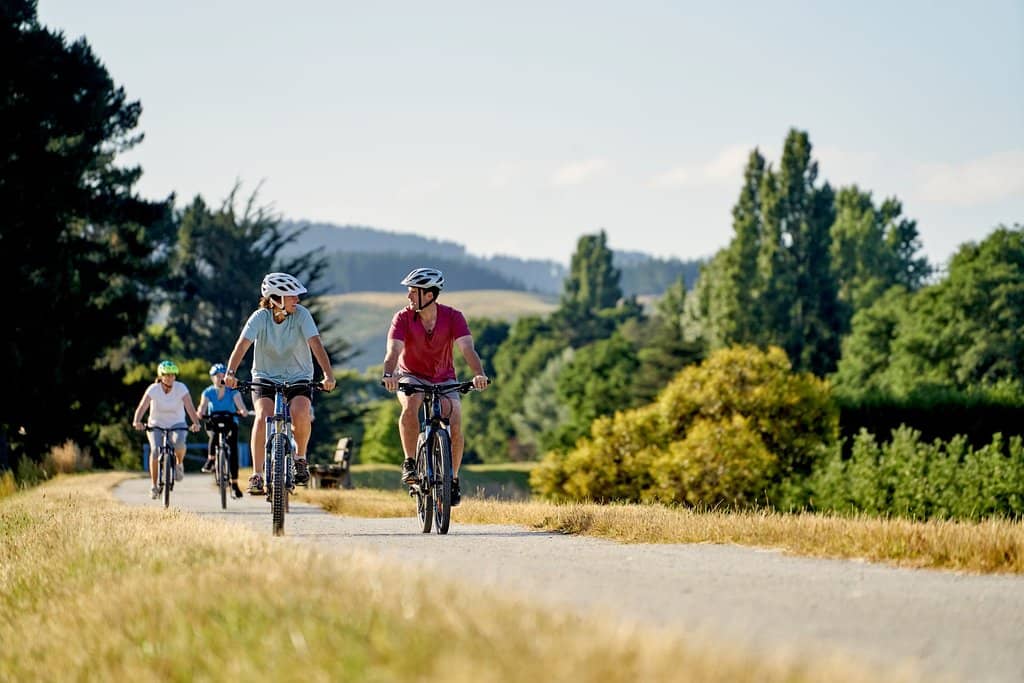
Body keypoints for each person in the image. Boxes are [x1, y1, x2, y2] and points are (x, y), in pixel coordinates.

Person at [381, 267, 489, 507]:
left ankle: (452, 479)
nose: (408, 297)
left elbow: (467, 349)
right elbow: (393, 351)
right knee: (411, 406)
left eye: (413, 292)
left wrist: (478, 374)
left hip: (444, 378)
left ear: (428, 295)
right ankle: (410, 462)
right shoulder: (402, 318)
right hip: (410, 375)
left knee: (455, 417)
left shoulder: (453, 317)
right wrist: (389, 373)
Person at [223, 272, 336, 494]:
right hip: (265, 376)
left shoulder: (302, 315)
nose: (298, 300)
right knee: (263, 415)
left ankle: (300, 458)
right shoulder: (259, 318)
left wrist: (328, 375)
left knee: (301, 411)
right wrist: (230, 372)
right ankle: (257, 475)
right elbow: (242, 346)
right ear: (276, 299)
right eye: (292, 296)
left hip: (298, 376)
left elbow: (316, 345)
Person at [132, 360, 202, 499]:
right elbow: (142, 407)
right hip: (156, 424)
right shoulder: (153, 389)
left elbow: (190, 407)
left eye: (172, 375)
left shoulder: (181, 388)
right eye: (167, 375)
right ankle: (153, 485)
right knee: (155, 451)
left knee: (179, 444)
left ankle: (179, 464)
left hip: (177, 423)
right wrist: (137, 421)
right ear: (161, 376)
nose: (170, 378)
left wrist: (196, 423)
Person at [197, 363, 249, 499]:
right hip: (213, 422)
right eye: (217, 376)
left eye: (222, 376)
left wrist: (242, 411)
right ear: (212, 378)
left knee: (233, 451)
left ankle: (235, 484)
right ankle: (211, 459)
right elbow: (202, 406)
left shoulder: (232, 391)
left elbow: (240, 404)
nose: (220, 378)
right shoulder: (207, 392)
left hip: (230, 422)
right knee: (213, 435)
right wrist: (200, 413)